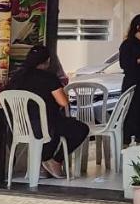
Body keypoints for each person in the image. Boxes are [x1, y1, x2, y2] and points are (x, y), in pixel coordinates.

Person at [6, 44, 87, 179]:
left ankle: (43, 165)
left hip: (21, 127)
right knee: (80, 129)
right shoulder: (49, 78)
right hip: (45, 127)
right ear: (47, 61)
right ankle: (55, 161)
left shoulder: (16, 78)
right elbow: (63, 102)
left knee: (56, 127)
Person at [119, 13, 140, 146]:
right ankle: (125, 142)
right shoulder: (128, 44)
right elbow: (124, 64)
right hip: (132, 82)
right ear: (138, 27)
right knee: (130, 113)